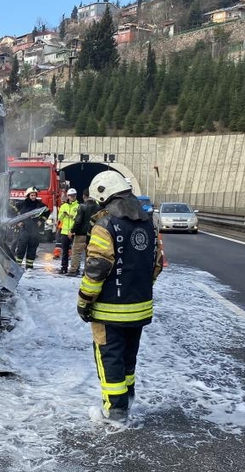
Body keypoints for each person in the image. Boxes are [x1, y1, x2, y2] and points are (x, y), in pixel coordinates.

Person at [76, 171, 164, 423]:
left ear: (103, 193)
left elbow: (96, 270)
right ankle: (128, 399)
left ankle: (114, 410)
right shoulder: (148, 222)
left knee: (109, 357)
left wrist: (84, 301)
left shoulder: (105, 224)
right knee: (128, 357)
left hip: (108, 309)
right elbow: (156, 263)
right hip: (140, 308)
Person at [12, 187, 50, 270]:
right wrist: (18, 222)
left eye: (34, 195)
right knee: (21, 247)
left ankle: (29, 266)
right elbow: (12, 211)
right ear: (28, 195)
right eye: (32, 195)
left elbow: (47, 211)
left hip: (34, 230)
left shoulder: (39, 204)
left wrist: (41, 220)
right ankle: (18, 265)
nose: (33, 197)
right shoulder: (22, 204)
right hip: (24, 230)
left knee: (32, 248)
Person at [68, 188, 101, 276]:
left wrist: (72, 231)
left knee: (76, 253)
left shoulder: (82, 206)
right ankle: (87, 271)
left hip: (80, 234)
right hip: (93, 234)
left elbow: (78, 221)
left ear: (84, 196)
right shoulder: (99, 207)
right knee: (89, 253)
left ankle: (73, 270)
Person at [58, 188, 80, 274]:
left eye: (74, 195)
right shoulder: (64, 206)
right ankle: (64, 267)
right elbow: (59, 218)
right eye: (71, 196)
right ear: (68, 196)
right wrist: (63, 214)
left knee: (75, 252)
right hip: (64, 232)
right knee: (65, 251)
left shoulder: (78, 206)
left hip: (74, 232)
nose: (72, 197)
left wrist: (71, 216)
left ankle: (75, 268)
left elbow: (78, 219)